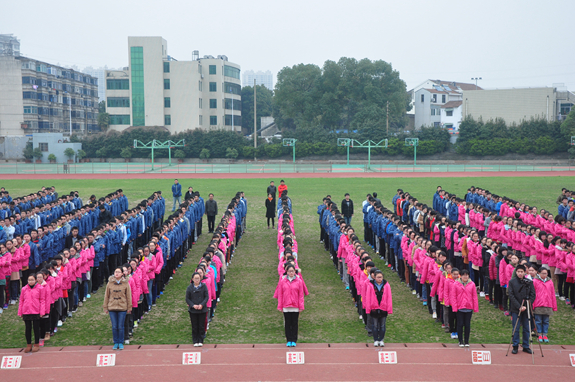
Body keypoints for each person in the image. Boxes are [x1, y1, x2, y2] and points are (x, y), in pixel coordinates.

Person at [274, 264, 308, 347]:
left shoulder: (299, 281)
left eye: (292, 271)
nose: (291, 272)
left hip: (295, 306)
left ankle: (294, 339)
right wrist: (280, 306)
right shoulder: (282, 281)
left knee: (295, 323)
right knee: (287, 323)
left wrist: (301, 306)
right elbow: (280, 294)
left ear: (295, 271)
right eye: (289, 271)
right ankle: (289, 339)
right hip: (286, 306)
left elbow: (301, 295)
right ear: (287, 272)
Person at [508, 264, 536, 354]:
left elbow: (533, 295)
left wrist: (527, 305)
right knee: (515, 328)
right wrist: (519, 306)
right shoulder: (512, 282)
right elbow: (511, 295)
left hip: (526, 309)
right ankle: (515, 345)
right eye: (518, 271)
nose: (520, 273)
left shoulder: (529, 282)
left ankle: (526, 345)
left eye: (521, 272)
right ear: (516, 272)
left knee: (526, 328)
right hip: (516, 309)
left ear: (525, 272)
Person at [103, 267, 132, 350]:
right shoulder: (110, 283)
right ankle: (116, 342)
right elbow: (106, 296)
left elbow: (128, 296)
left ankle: (120, 342)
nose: (117, 273)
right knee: (114, 326)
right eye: (115, 272)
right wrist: (105, 307)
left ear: (122, 274)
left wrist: (129, 307)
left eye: (119, 272)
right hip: (112, 307)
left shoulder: (126, 283)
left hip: (122, 307)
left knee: (120, 326)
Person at [363, 270, 393, 347]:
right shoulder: (370, 285)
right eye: (378, 277)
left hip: (383, 307)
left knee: (382, 325)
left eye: (381, 277)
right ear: (374, 277)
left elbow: (389, 297)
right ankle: (376, 340)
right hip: (374, 308)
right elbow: (368, 297)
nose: (380, 279)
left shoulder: (386, 285)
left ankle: (381, 339)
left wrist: (389, 308)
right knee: (375, 325)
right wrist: (368, 308)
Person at [451, 269, 478, 347]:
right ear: (461, 276)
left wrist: (475, 308)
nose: (465, 277)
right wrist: (455, 308)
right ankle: (460, 341)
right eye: (463, 275)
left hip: (469, 308)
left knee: (467, 325)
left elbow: (474, 297)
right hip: (460, 307)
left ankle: (466, 341)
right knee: (460, 324)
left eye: (466, 275)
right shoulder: (456, 284)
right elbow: (454, 297)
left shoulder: (472, 284)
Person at [18, 273, 44, 353]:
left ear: (36, 280)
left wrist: (42, 311)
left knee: (36, 328)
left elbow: (42, 300)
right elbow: (21, 300)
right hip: (26, 311)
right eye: (29, 280)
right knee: (28, 328)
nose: (30, 281)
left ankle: (36, 344)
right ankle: (28, 344)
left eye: (32, 279)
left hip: (36, 311)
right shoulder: (24, 289)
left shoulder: (40, 288)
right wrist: (20, 311)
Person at [532, 266, 556, 343]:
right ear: (539, 273)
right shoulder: (535, 281)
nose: (545, 275)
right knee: (538, 320)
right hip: (538, 304)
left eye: (546, 273)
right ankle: (539, 334)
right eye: (543, 273)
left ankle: (545, 334)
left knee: (546, 320)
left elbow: (552, 294)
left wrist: (554, 305)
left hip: (548, 304)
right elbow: (533, 294)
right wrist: (533, 304)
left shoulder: (550, 282)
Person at [186, 272, 209, 347]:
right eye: (195, 278)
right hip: (193, 310)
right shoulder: (189, 288)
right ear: (192, 279)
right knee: (194, 325)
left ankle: (201, 340)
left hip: (202, 309)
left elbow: (206, 297)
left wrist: (202, 304)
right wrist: (193, 305)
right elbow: (187, 299)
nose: (197, 280)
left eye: (198, 278)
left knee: (201, 325)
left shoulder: (204, 286)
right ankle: (195, 340)